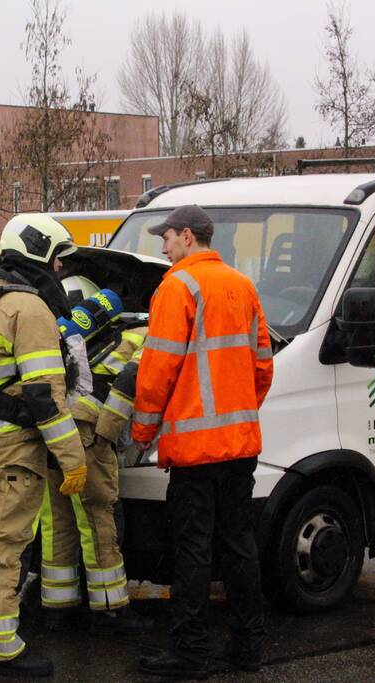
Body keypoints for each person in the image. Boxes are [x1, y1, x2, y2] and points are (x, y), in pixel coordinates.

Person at [132, 205, 273, 679]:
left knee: (192, 547)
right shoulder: (243, 285)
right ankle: (248, 646)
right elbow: (261, 365)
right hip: (240, 444)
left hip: (194, 450)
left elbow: (158, 370)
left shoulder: (178, 287)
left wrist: (142, 431)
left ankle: (189, 652)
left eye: (167, 237)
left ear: (188, 236)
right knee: (239, 543)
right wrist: (237, 414)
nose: (163, 246)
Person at [0, 214, 87, 677]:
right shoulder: (29, 310)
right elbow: (44, 397)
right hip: (9, 452)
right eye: (57, 261)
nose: (60, 272)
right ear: (39, 255)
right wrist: (74, 460)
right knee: (6, 549)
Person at [38, 277, 152, 634]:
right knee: (98, 520)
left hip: (53, 429)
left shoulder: (66, 335)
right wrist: (109, 433)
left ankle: (58, 609)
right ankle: (110, 611)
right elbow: (130, 386)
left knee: (57, 522)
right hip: (90, 433)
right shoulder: (144, 332)